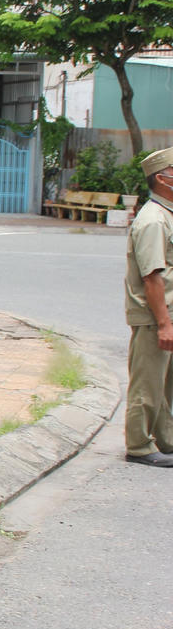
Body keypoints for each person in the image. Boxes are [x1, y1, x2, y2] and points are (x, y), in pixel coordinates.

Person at [123, 147, 173, 467]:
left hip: (166, 314)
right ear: (162, 178)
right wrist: (165, 323)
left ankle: (166, 439)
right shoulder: (153, 220)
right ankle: (139, 446)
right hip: (156, 316)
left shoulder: (166, 215)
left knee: (165, 384)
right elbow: (152, 277)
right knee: (147, 383)